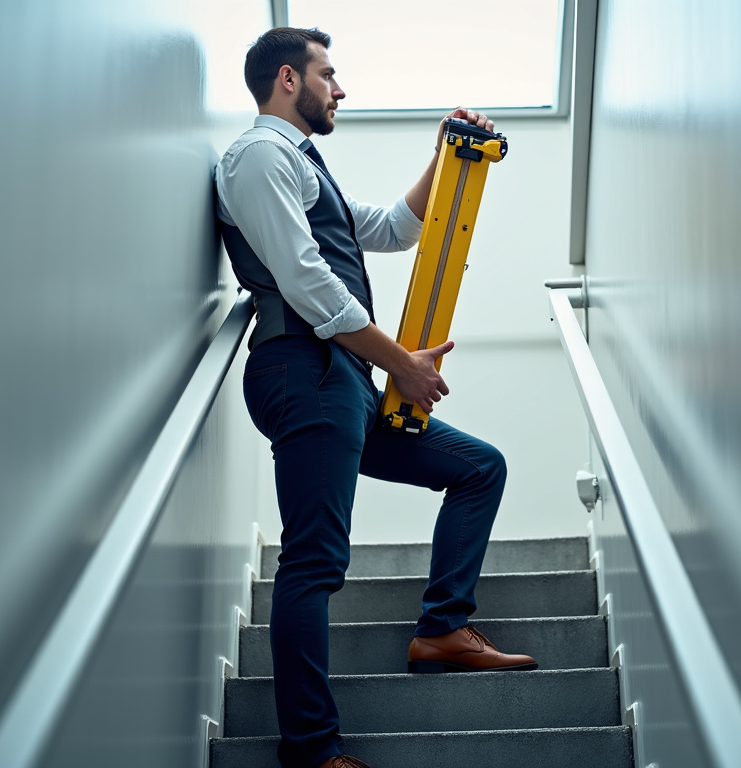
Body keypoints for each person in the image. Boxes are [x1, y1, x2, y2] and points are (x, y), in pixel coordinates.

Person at [214, 26, 538, 768]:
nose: (341, 87)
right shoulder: (258, 156)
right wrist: (404, 365)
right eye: (329, 74)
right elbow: (305, 283)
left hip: (346, 385)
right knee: (316, 561)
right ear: (288, 79)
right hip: (306, 373)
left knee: (478, 467)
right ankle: (311, 750)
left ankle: (442, 629)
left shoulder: (303, 166)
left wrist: (444, 151)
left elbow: (394, 228)